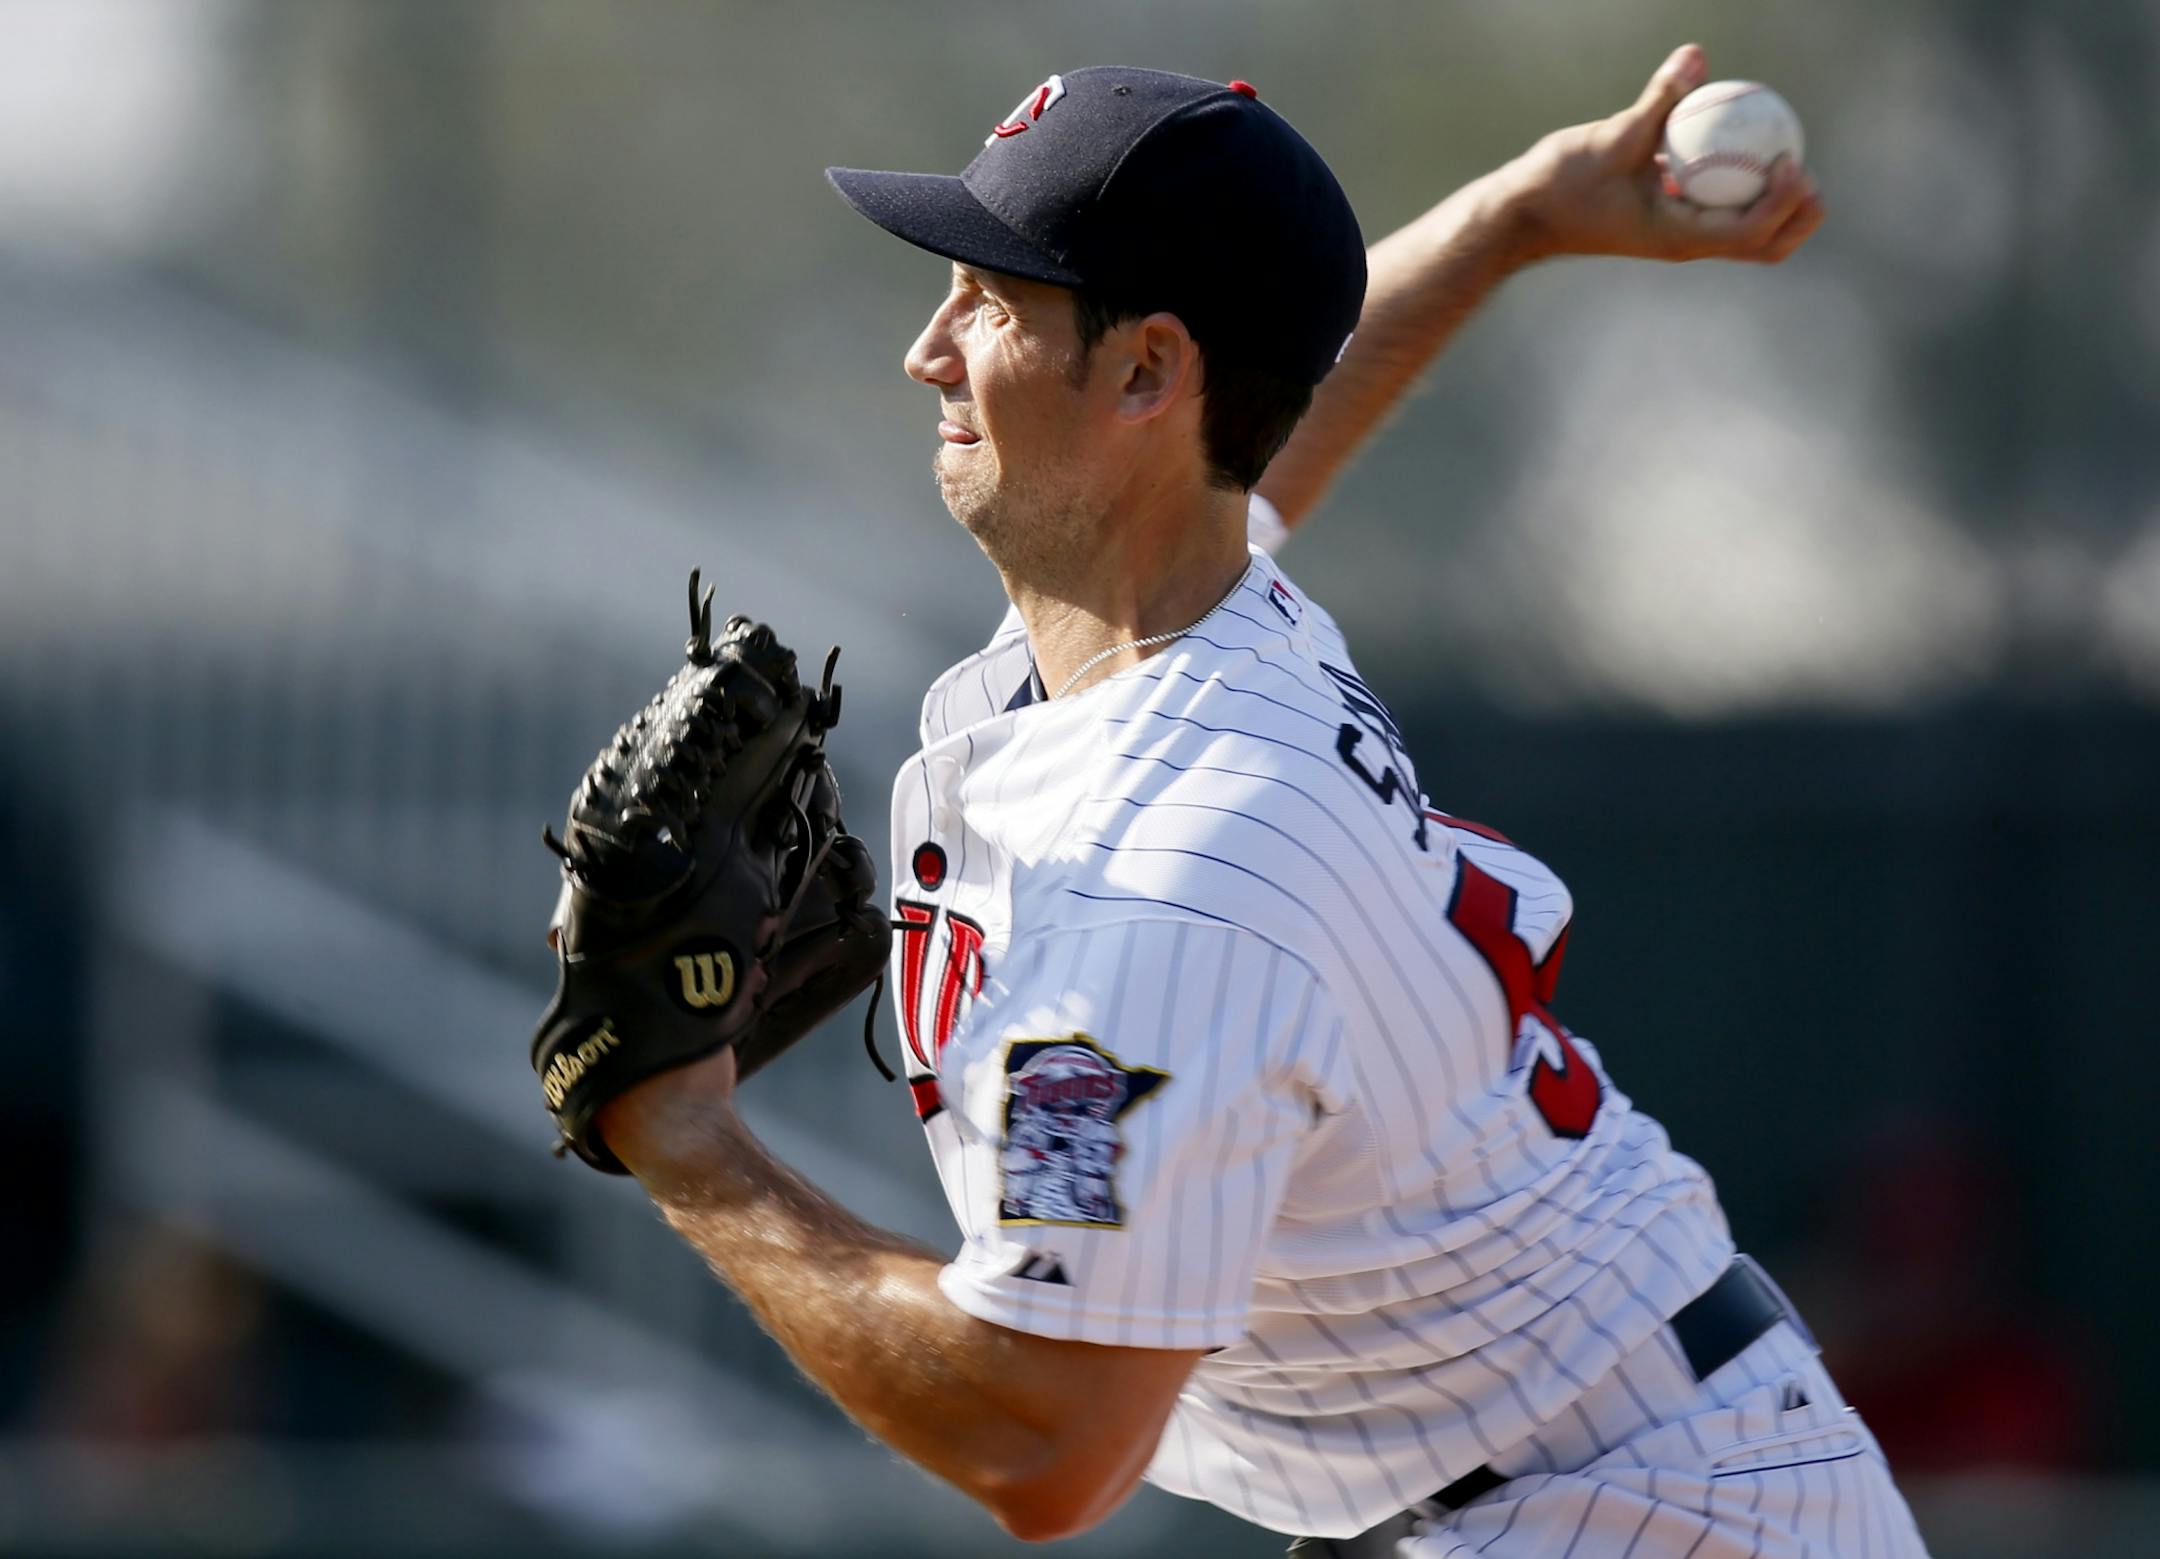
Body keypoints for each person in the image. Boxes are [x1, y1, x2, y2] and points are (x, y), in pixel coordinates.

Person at [595, 47, 1932, 1554]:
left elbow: (1045, 1440)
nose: (931, 349)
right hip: (1562, 1473)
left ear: (1153, 374)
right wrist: (1511, 221)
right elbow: (1276, 414)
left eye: (991, 300)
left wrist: (687, 1144)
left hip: (1623, 1513)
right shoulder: (1183, 610)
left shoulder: (1169, 863)